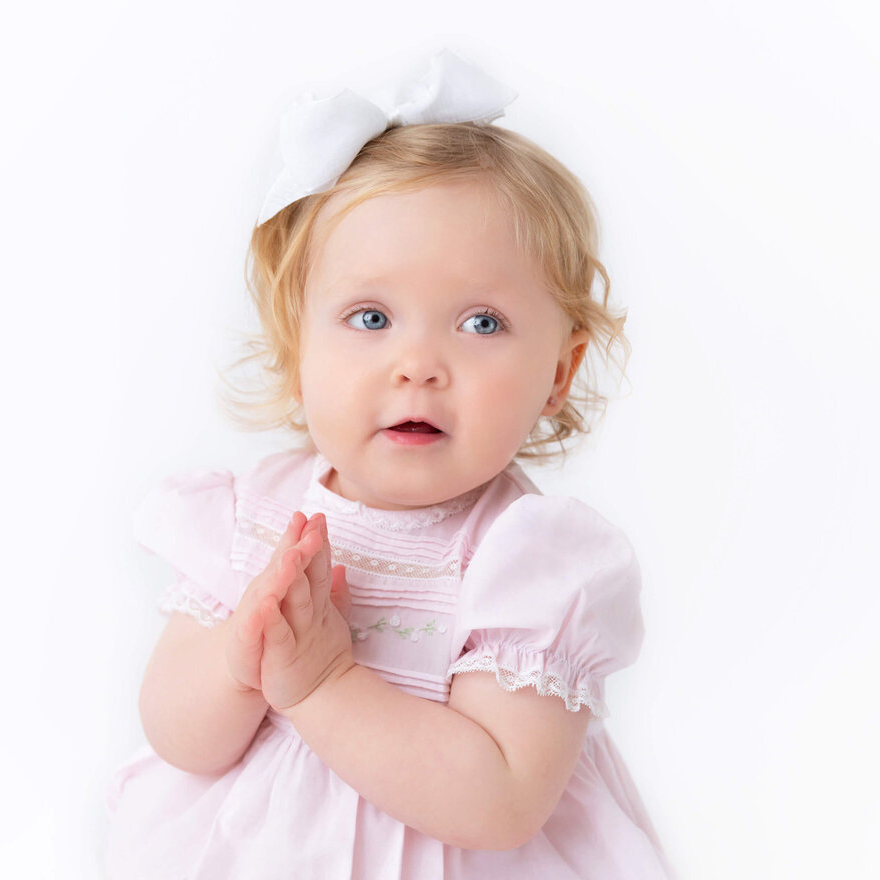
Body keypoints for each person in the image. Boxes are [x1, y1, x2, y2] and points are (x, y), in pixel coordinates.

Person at [103, 50, 675, 879]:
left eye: (480, 324)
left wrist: (325, 682)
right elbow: (177, 736)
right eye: (370, 317)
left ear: (559, 372)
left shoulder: (530, 565)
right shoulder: (247, 519)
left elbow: (501, 800)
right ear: (298, 346)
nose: (418, 363)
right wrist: (242, 659)